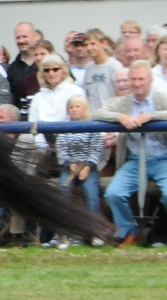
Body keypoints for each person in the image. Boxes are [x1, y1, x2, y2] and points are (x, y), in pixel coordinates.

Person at [95, 60, 167, 247]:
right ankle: (129, 232)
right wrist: (121, 117)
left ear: (150, 80)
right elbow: (98, 113)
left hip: (163, 159)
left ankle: (160, 233)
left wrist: (150, 116)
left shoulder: (161, 98)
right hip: (136, 160)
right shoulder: (125, 102)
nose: (137, 84)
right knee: (113, 193)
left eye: (141, 79)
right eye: (133, 79)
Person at [54, 94, 109, 232]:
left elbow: (96, 149)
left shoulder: (92, 127)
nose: (74, 110)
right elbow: (61, 148)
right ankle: (63, 230)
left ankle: (96, 229)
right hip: (69, 167)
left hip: (88, 167)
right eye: (71, 107)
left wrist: (88, 166)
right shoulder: (64, 128)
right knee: (63, 191)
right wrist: (69, 164)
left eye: (77, 106)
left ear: (85, 108)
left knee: (91, 193)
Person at [79, 34, 124, 107]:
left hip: (109, 114)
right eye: (86, 45)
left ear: (104, 43)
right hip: (92, 115)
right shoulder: (89, 68)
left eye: (93, 44)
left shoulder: (114, 66)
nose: (89, 48)